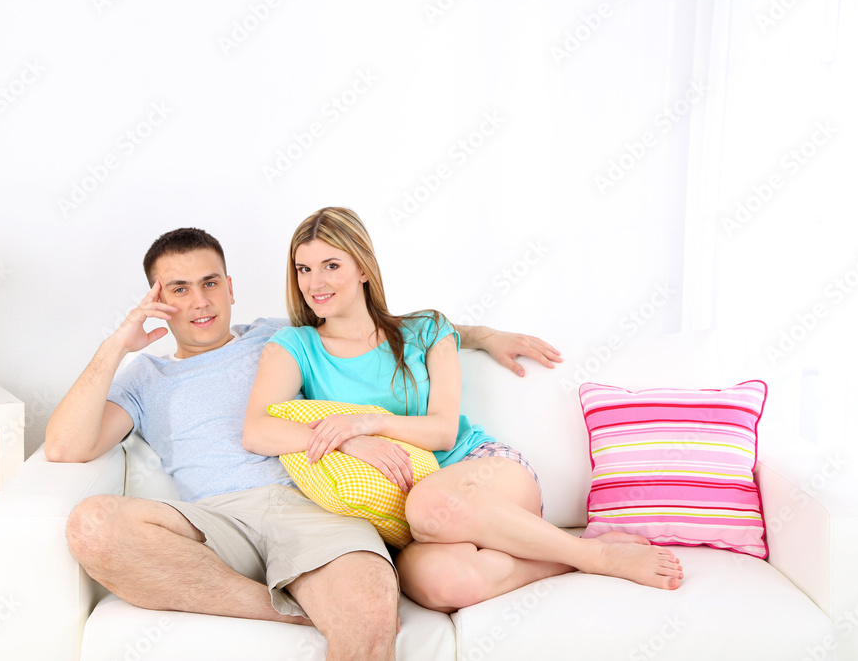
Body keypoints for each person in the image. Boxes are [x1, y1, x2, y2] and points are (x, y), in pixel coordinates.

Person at [44, 226, 560, 660]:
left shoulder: (280, 336)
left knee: (367, 613)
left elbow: (377, 327)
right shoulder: (143, 377)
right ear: (155, 301)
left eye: (209, 283)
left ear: (230, 286)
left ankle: (325, 602)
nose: (199, 301)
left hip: (316, 508)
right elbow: (66, 448)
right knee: (91, 526)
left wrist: (483, 335)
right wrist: (117, 344)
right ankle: (291, 611)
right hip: (215, 521)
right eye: (178, 289)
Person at [243, 207, 684, 614]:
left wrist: (369, 422)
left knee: (430, 501)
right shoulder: (295, 347)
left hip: (482, 471)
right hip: (408, 519)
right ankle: (564, 560)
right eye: (304, 269)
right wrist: (351, 440)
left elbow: (442, 433)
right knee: (444, 584)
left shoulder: (427, 330)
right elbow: (258, 430)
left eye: (331, 266)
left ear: (362, 268)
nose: (315, 283)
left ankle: (599, 555)